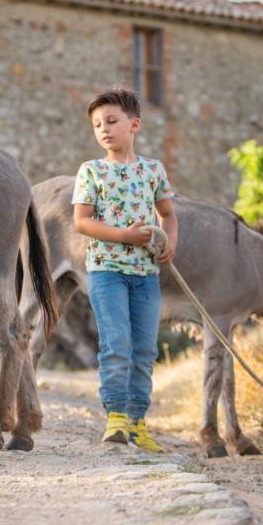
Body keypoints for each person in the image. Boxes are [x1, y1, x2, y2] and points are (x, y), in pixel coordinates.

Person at [71, 87, 179, 453]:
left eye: (112, 121)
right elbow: (82, 222)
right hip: (106, 270)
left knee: (145, 349)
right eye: (98, 124)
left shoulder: (152, 170)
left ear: (134, 125)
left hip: (146, 273)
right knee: (116, 342)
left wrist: (171, 242)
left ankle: (138, 422)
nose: (104, 129)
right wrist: (123, 236)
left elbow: (168, 214)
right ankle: (115, 417)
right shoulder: (92, 171)